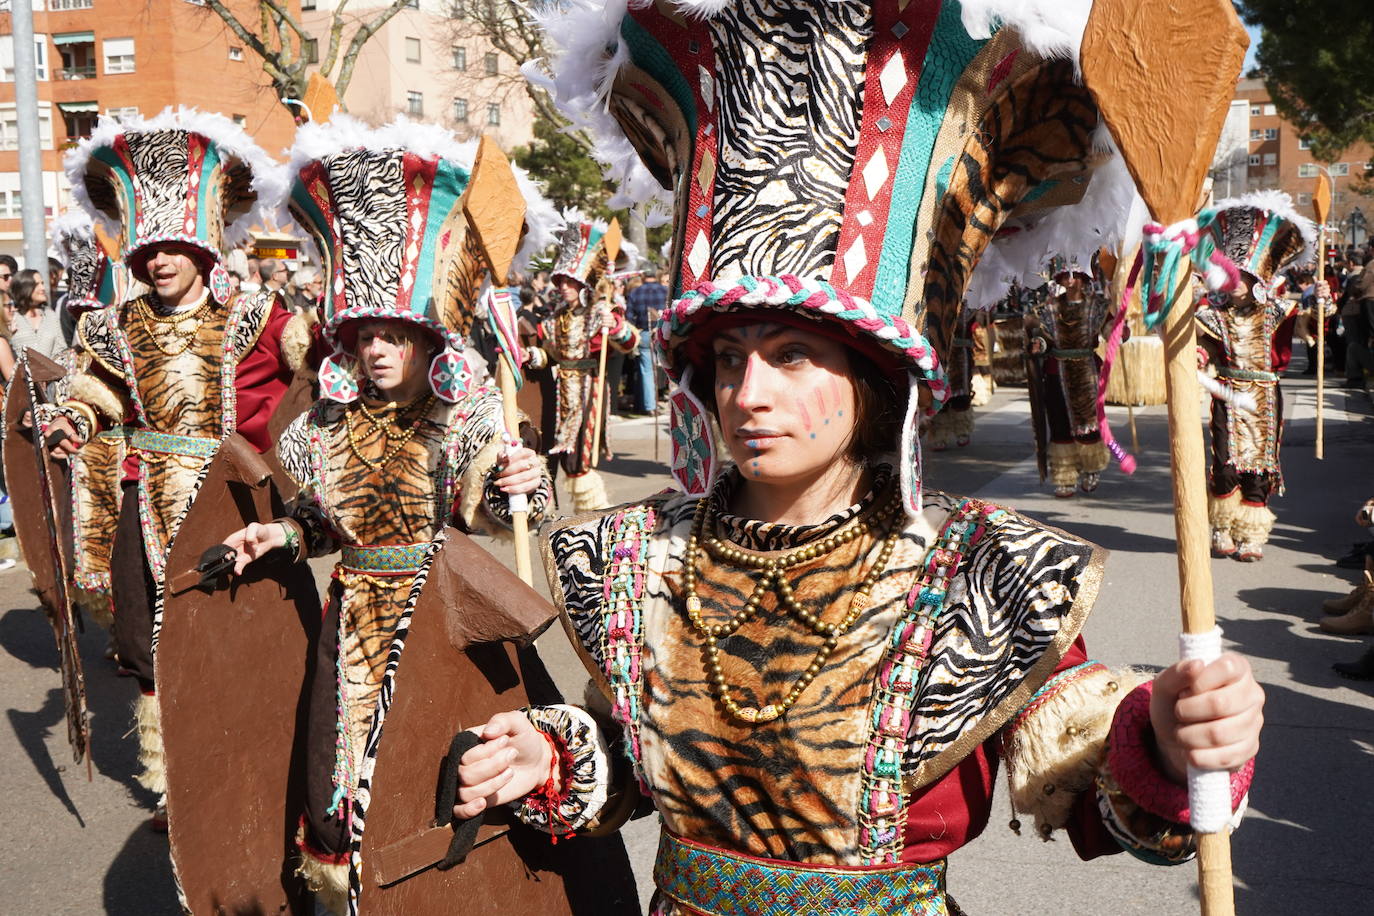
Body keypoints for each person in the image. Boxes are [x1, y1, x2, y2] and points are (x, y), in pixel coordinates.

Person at [454, 3, 1263, 912]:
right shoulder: (640, 558)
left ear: (874, 377)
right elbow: (632, 756)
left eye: (793, 355)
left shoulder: (980, 573)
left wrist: (1168, 742)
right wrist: (548, 754)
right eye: (729, 359)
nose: (748, 393)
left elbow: (1091, 785)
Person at [219, 118, 556, 914]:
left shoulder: (464, 413)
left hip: (439, 622)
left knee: (429, 785)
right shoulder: (328, 425)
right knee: (334, 784)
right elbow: (320, 523)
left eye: (392, 336)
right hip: (350, 621)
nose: (375, 350)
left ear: (424, 339)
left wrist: (520, 478)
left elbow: (502, 506)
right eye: (365, 336)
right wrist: (281, 533)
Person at [40, 110, 311, 828]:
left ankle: (247, 764)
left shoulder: (254, 315)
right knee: (143, 637)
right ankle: (177, 779)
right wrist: (75, 421)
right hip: (146, 497)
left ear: (199, 248)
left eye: (171, 248)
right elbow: (98, 391)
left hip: (229, 499)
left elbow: (313, 373)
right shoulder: (116, 325)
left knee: (228, 632)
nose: (159, 261)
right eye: (148, 250)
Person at [1197, 193, 1315, 563]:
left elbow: (1313, 328)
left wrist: (1322, 303)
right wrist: (1198, 356)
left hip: (1265, 395)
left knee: (1261, 465)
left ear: (1256, 280)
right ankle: (1222, 526)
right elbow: (1202, 346)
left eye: (1242, 277)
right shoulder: (1213, 314)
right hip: (1229, 393)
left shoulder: (1279, 312)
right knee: (1224, 463)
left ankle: (1251, 534)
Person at [542, 216, 638, 511]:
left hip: (588, 387)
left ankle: (590, 512)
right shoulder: (556, 316)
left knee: (579, 455)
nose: (564, 287)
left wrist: (615, 326)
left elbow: (629, 343)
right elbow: (550, 354)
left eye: (569, 282)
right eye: (561, 281)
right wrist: (530, 356)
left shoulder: (600, 310)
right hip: (561, 389)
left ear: (582, 284)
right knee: (558, 451)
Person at [1024, 260, 1115, 498]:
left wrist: (1117, 332)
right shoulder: (1049, 308)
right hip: (1057, 372)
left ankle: (1091, 468)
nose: (1070, 280)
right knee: (1059, 424)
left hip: (1087, 372)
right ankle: (1065, 476)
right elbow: (1044, 337)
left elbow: (1108, 329)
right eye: (1066, 275)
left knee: (1087, 423)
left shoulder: (1097, 306)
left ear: (1084, 279)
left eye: (1075, 275)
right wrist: (1039, 344)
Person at [626, 269, 667, 414]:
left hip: (643, 333)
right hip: (663, 332)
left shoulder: (635, 293)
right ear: (655, 276)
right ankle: (655, 402)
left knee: (647, 371)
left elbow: (629, 318)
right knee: (666, 368)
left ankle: (650, 407)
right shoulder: (666, 291)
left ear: (643, 276)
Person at [8, 268, 66, 362]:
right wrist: (8, 335)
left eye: (42, 283)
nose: (43, 288)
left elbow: (61, 350)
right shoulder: (11, 316)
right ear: (24, 288)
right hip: (18, 370)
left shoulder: (50, 315)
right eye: (37, 284)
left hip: (50, 371)